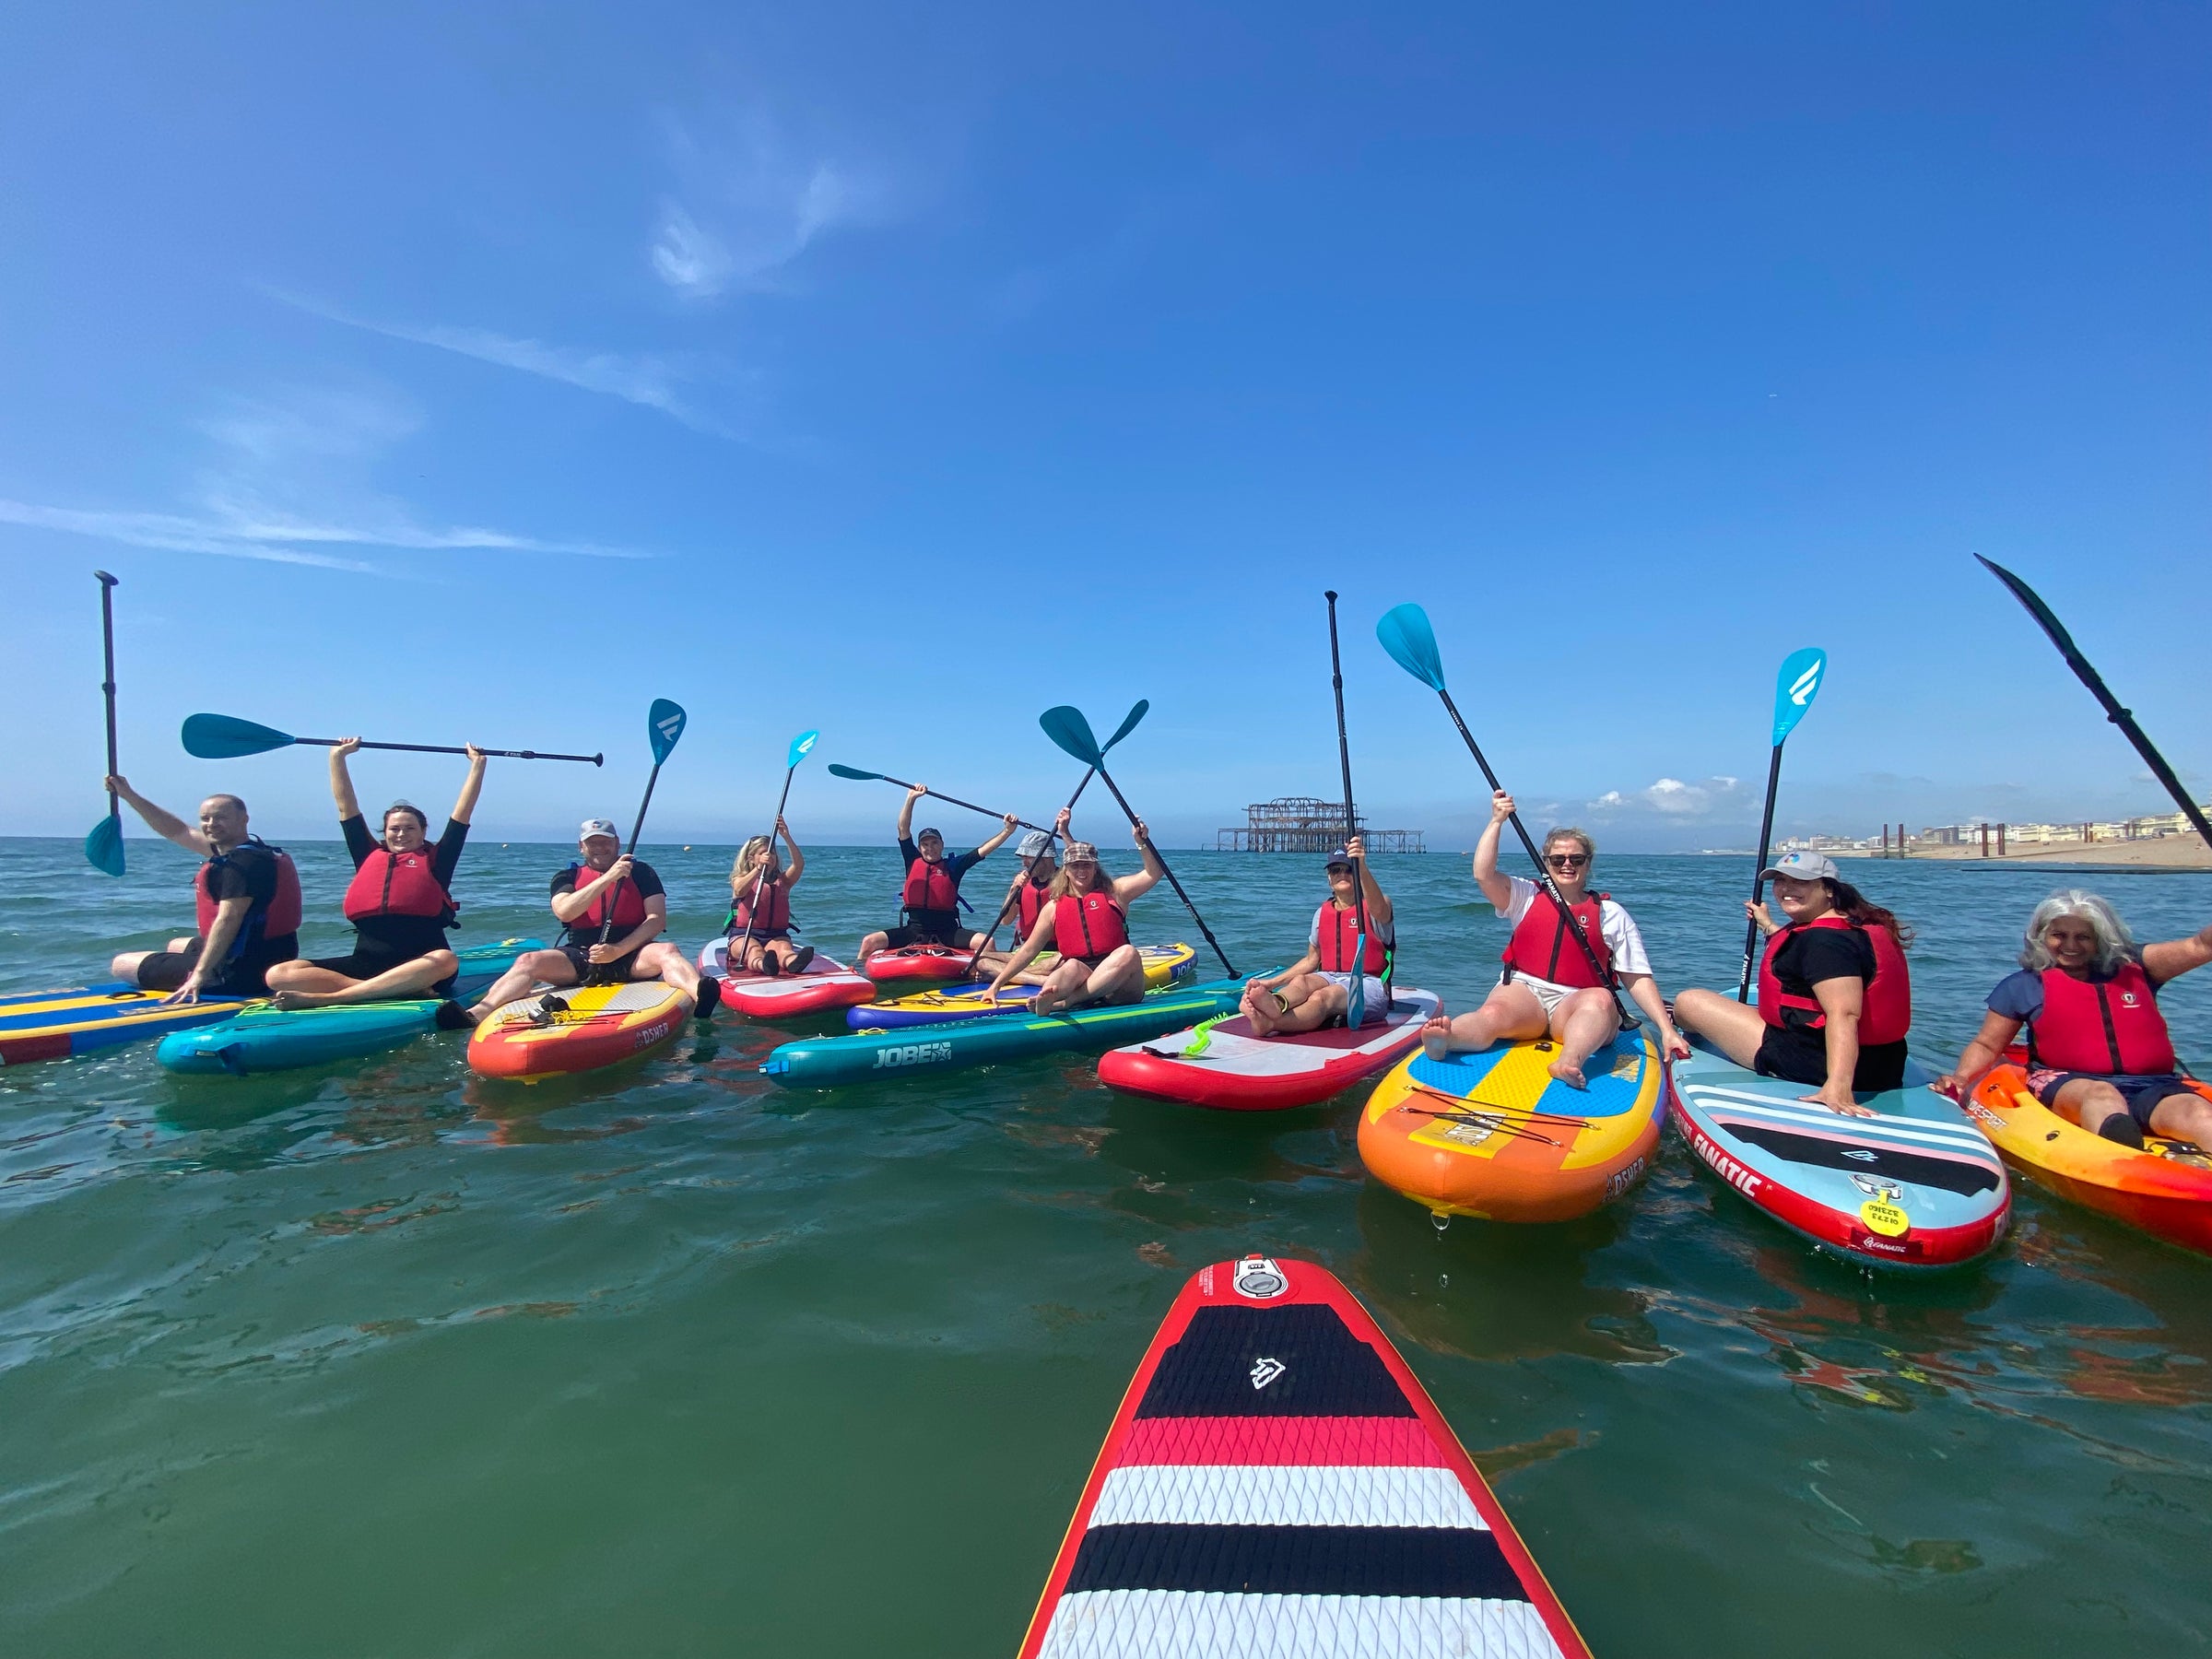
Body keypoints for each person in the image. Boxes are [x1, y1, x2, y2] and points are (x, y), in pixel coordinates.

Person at [1419, 791, 1687, 1088]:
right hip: (1527, 996)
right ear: (1546, 862)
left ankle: (1569, 1061)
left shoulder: (1611, 914)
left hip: (1577, 1004)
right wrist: (1497, 820)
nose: (1567, 864)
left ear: (1588, 863)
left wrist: (1666, 1029)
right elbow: (1483, 874)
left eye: (1576, 858)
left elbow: (1637, 977)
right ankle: (1448, 1037)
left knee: (1600, 999)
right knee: (1493, 1013)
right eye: (1558, 859)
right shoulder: (1525, 896)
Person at [1936, 889, 2212, 1148]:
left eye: (2083, 937)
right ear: (2041, 936)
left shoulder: (2140, 967)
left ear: (2100, 939)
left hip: (2154, 1085)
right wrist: (1960, 1077)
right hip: (2069, 1083)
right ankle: (2120, 1160)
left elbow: (2201, 946)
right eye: (2059, 935)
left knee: (2197, 1112)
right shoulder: (2025, 986)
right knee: (2101, 1097)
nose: (2070, 945)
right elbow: (1987, 1045)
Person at [1671, 851, 1912, 1115]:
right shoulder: (1852, 927)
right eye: (1780, 881)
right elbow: (1806, 956)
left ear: (1829, 889)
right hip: (1883, 1066)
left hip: (1815, 1063)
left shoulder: (1825, 942)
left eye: (1801, 882)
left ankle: (1680, 1024)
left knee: (1688, 1002)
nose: (1786, 889)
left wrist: (1839, 1086)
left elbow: (1844, 1013)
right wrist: (1768, 925)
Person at [261, 738, 485, 1009]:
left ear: (423, 832)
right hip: (366, 965)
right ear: (385, 832)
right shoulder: (367, 855)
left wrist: (477, 766)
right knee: (278, 974)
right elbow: (346, 808)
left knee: (446, 959)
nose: (401, 834)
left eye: (410, 828)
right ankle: (391, 991)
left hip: (422, 965)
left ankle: (333, 998)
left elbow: (461, 816)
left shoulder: (437, 860)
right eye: (394, 829)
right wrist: (338, 758)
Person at [465, 819, 700, 1018]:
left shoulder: (642, 872)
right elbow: (564, 912)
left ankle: (701, 995)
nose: (600, 847)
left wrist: (617, 950)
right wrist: (608, 878)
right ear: (581, 847)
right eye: (592, 842)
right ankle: (477, 1013)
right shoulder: (567, 876)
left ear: (617, 843)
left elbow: (657, 920)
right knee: (528, 960)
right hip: (581, 955)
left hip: (632, 954)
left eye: (606, 841)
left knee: (668, 950)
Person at [105, 778, 303, 1004]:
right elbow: (178, 831)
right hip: (273, 956)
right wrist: (128, 794)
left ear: (244, 819)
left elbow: (228, 919)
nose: (211, 824)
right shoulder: (255, 852)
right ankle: (198, 966)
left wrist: (199, 975)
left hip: (242, 974)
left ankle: (204, 974)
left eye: (220, 817)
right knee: (176, 944)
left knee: (121, 963)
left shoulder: (241, 866)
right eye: (205, 819)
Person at [986, 822, 1164, 1014]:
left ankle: (1068, 1002)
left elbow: (1153, 874)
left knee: (1128, 953)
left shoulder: (1116, 892)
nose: (1081, 871)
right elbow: (1028, 950)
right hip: (1084, 976)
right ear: (1066, 870)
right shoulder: (1053, 908)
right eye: (1075, 866)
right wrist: (996, 985)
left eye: (1086, 865)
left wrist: (1142, 842)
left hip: (1121, 987)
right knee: (1070, 965)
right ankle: (1047, 1000)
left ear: (1095, 868)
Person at [1240, 836, 1395, 1035]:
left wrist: (1362, 866)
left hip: (1367, 983)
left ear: (1356, 875)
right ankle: (1275, 1004)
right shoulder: (1322, 913)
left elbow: (1380, 910)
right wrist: (1270, 983)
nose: (1342, 874)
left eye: (1349, 869)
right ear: (1329, 879)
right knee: (1301, 982)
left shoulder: (1378, 906)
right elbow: (1311, 960)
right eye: (1335, 870)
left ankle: (1270, 1024)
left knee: (1323, 997)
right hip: (1328, 976)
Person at [854, 782, 1018, 960]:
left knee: (987, 942)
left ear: (942, 845)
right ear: (920, 847)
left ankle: (984, 976)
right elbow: (903, 829)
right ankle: (861, 979)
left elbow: (983, 850)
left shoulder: (953, 866)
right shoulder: (912, 860)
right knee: (868, 942)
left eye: (934, 843)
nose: (929, 848)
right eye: (925, 844)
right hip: (913, 930)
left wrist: (1007, 831)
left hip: (947, 931)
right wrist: (911, 798)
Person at [967, 810, 1073, 983]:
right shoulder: (1023, 883)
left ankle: (1016, 976)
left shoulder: (1067, 879)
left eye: (1028, 858)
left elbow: (1079, 857)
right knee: (980, 958)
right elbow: (1006, 920)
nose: (1023, 863)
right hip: (1026, 953)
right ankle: (1037, 979)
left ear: (1045, 857)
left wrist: (1065, 831)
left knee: (1062, 963)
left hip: (1057, 952)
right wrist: (1013, 890)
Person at [724, 818, 813, 976]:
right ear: (751, 858)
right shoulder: (740, 878)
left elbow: (799, 865)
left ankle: (794, 963)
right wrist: (759, 869)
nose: (769, 856)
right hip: (743, 935)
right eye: (763, 853)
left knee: (783, 950)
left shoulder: (783, 881)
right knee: (754, 951)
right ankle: (764, 965)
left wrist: (787, 837)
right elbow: (739, 890)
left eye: (771, 852)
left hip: (775, 934)